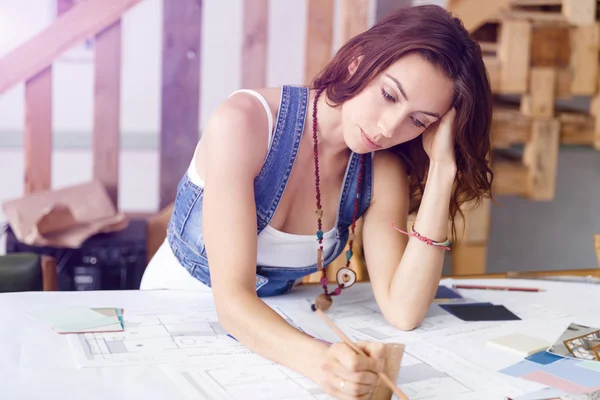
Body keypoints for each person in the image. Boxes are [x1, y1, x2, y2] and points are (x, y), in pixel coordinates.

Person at [141, 4, 493, 399]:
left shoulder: (380, 171)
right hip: (171, 318)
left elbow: (403, 310)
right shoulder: (244, 123)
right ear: (359, 60)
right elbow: (233, 301)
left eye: (419, 121)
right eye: (389, 95)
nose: (389, 127)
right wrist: (324, 363)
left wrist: (443, 169)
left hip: (271, 334)